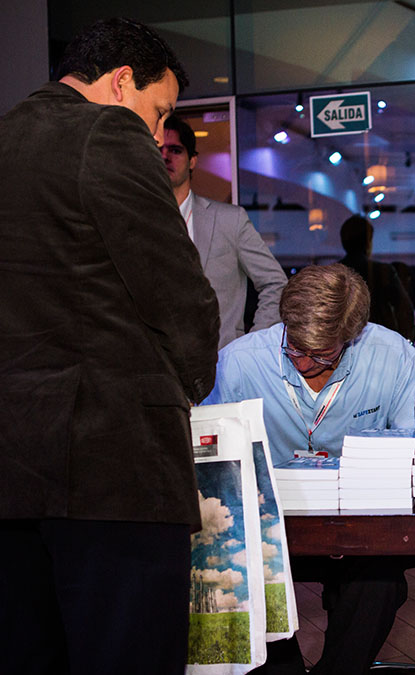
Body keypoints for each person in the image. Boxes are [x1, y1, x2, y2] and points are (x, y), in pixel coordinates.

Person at [0, 18, 220, 675]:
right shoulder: (107, 131)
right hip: (115, 472)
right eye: (158, 112)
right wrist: (189, 384)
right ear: (121, 81)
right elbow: (179, 295)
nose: (158, 135)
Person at [204, 263, 415, 675]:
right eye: (295, 349)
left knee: (381, 579)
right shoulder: (238, 365)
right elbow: (210, 469)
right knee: (236, 575)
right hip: (270, 533)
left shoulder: (394, 358)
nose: (304, 364)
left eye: (322, 354)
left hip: (359, 529)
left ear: (352, 336)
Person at [162, 115, 287, 349]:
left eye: (175, 150)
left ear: (192, 161)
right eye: (158, 149)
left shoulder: (229, 220)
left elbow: (275, 283)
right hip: (157, 370)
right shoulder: (137, 221)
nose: (165, 156)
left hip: (221, 363)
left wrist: (251, 345)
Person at [339, 214, 415, 340]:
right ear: (368, 242)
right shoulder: (383, 271)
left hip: (343, 343)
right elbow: (405, 310)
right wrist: (403, 341)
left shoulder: (332, 274)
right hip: (380, 341)